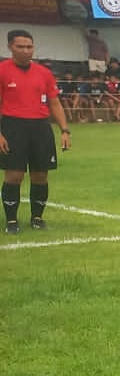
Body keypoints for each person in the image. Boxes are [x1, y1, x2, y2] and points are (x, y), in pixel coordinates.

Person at [0, 30, 70, 234]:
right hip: (13, 127)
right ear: (10, 47)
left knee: (41, 175)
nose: (25, 51)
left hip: (41, 127)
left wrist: (65, 130)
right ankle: (11, 221)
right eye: (20, 47)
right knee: (14, 175)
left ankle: (37, 218)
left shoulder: (44, 73)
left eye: (29, 47)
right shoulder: (2, 70)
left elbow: (54, 102)